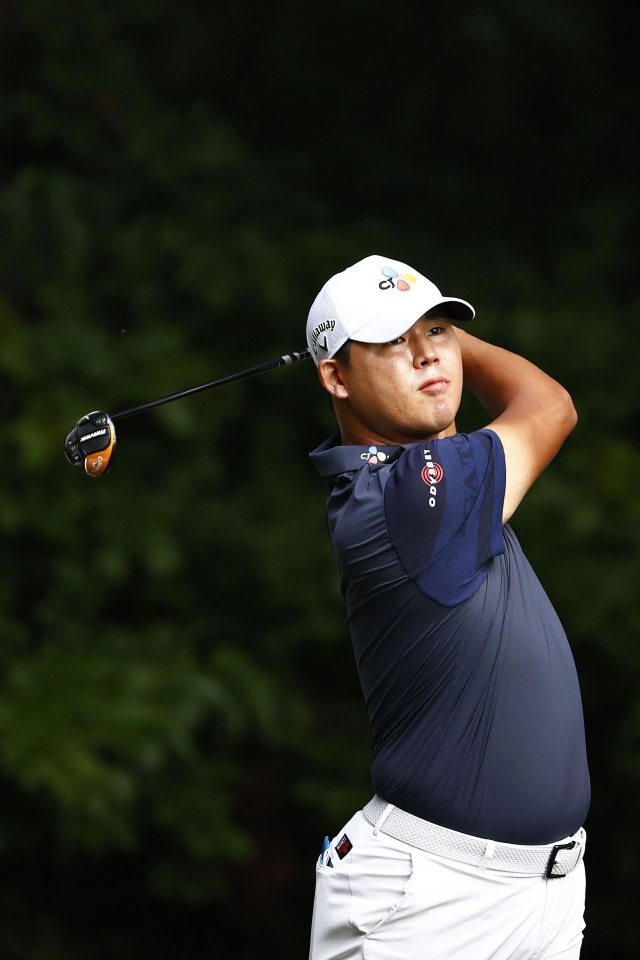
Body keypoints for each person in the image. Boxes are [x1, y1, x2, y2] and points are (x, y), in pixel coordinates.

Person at [306, 255, 589, 960]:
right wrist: (452, 346)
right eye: (393, 339)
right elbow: (552, 405)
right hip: (429, 904)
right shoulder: (414, 496)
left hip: (545, 894)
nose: (426, 350)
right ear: (335, 375)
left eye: (437, 330)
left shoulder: (430, 478)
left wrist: (423, 340)